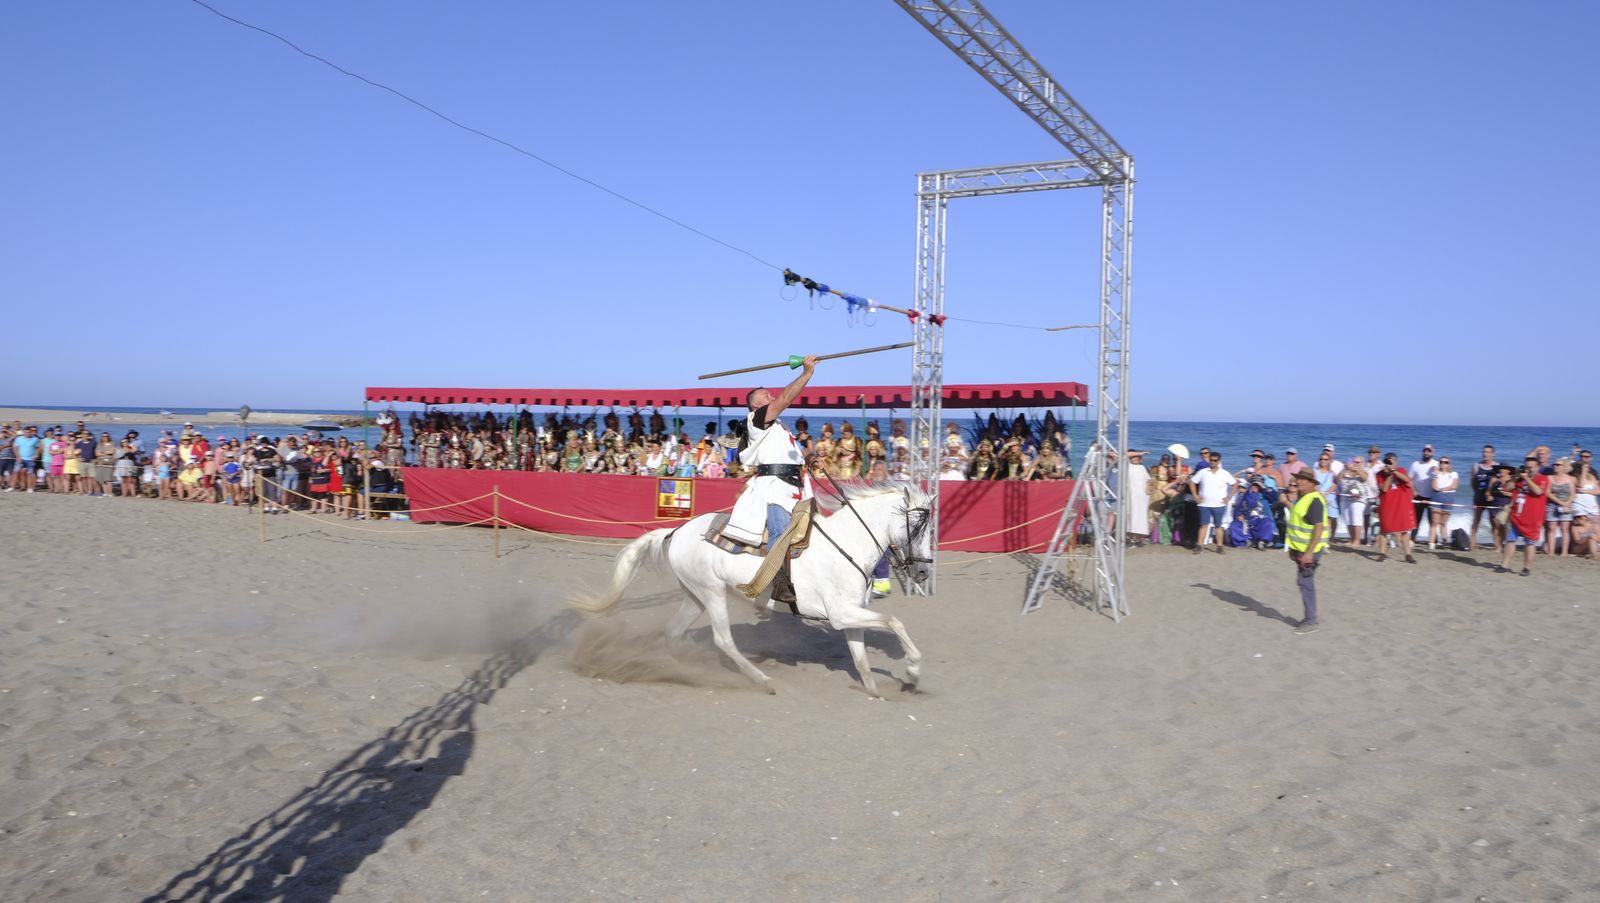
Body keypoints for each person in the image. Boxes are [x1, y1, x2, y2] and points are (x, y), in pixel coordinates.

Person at [721, 355, 819, 604]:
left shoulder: (779, 427)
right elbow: (787, 397)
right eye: (766, 396)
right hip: (774, 487)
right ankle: (777, 581)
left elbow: (794, 449)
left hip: (796, 486)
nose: (772, 397)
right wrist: (807, 373)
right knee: (780, 528)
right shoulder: (757, 420)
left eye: (770, 396)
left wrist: (808, 455)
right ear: (755, 405)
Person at [1285, 469, 1328, 634]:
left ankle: (1311, 620)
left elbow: (1318, 527)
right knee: (1303, 581)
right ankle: (1309, 618)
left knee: (1306, 582)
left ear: (1312, 483)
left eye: (1303, 479)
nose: (1299, 482)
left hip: (1310, 550)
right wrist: (1293, 548)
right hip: (1301, 549)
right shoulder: (1303, 497)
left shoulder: (1314, 500)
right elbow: (1300, 525)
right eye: (1298, 478)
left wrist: (1309, 553)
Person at [1499, 455, 1549, 576]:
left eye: (1531, 467)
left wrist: (1527, 479)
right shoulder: (1520, 479)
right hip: (1517, 515)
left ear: (1537, 467)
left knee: (1530, 542)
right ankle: (1505, 565)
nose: (1529, 470)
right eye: (1527, 467)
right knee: (1510, 540)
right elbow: (1507, 487)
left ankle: (1527, 567)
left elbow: (1538, 491)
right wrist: (1516, 477)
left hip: (1533, 517)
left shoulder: (1542, 478)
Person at [1189, 452, 1236, 554]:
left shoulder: (1224, 473)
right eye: (1211, 460)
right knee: (1203, 525)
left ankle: (1219, 546)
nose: (1213, 462)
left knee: (1218, 526)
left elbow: (1235, 484)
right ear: (1209, 460)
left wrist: (1229, 497)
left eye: (1215, 460)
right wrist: (1195, 495)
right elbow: (1192, 482)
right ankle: (1199, 546)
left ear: (1219, 461)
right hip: (1204, 504)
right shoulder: (1203, 472)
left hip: (1218, 504)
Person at [1374, 452, 1418, 563]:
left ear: (1396, 462)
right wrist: (1389, 475)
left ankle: (1408, 554)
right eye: (1387, 461)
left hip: (1401, 504)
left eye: (1391, 461)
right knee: (1384, 530)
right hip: (1387, 505)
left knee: (1404, 530)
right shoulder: (1380, 474)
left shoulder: (1401, 470)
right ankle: (1382, 553)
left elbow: (1406, 480)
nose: (1389, 463)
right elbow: (1384, 489)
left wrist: (1394, 471)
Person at [1469, 445, 1500, 547]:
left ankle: (1497, 544)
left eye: (1488, 452)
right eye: (1484, 452)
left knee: (1494, 522)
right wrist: (1477, 492)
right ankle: (1472, 543)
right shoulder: (1476, 466)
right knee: (1476, 520)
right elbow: (1473, 482)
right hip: (1479, 497)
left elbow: (1501, 482)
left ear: (1493, 454)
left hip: (1492, 498)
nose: (1485, 454)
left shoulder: (1497, 466)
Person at [1544, 458, 1576, 557]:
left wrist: (1567, 504)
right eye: (1555, 464)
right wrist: (1560, 502)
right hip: (1553, 504)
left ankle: (1564, 552)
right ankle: (1551, 551)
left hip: (1566, 505)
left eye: (1558, 465)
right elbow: (1548, 493)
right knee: (1551, 528)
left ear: (1563, 467)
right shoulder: (1550, 478)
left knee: (1565, 528)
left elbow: (1573, 493)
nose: (1556, 466)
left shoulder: (1569, 479)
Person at [1408, 445, 1440, 545]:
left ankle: (1434, 541)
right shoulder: (1416, 464)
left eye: (1429, 451)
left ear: (1432, 452)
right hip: (1418, 496)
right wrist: (1413, 490)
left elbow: (1442, 477)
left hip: (1432, 496)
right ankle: (1412, 539)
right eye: (1425, 451)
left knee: (1433, 520)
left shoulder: (1437, 464)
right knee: (1417, 519)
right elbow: (1409, 479)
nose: (1426, 453)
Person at [1336, 458, 1371, 547]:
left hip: (1358, 499)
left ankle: (1357, 540)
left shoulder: (1364, 471)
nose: (1355, 464)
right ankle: (1352, 539)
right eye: (1354, 462)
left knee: (1356, 519)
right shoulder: (1346, 472)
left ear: (1362, 463)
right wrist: (1345, 469)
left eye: (1358, 462)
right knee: (1348, 520)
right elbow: (1338, 479)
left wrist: (1357, 469)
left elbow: (1364, 478)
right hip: (1345, 498)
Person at [1428, 456, 1460, 550]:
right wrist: (1435, 474)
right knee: (1434, 521)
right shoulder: (1435, 473)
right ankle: (1431, 542)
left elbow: (1454, 486)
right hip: (1437, 496)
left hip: (1448, 497)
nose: (1443, 464)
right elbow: (1434, 485)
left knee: (1443, 522)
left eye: (1446, 462)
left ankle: (1444, 541)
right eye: (1441, 462)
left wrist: (1443, 489)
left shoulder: (1454, 473)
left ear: (1449, 464)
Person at [1123, 449, 1151, 546]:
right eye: (1135, 457)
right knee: (1130, 516)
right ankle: (1130, 538)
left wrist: (1149, 488)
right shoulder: (1127, 466)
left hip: (1142, 497)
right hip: (1130, 496)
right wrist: (1140, 453)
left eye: (1138, 457)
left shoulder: (1142, 468)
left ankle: (1137, 539)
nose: (1137, 458)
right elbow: (1124, 454)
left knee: (1140, 517)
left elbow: (1148, 480)